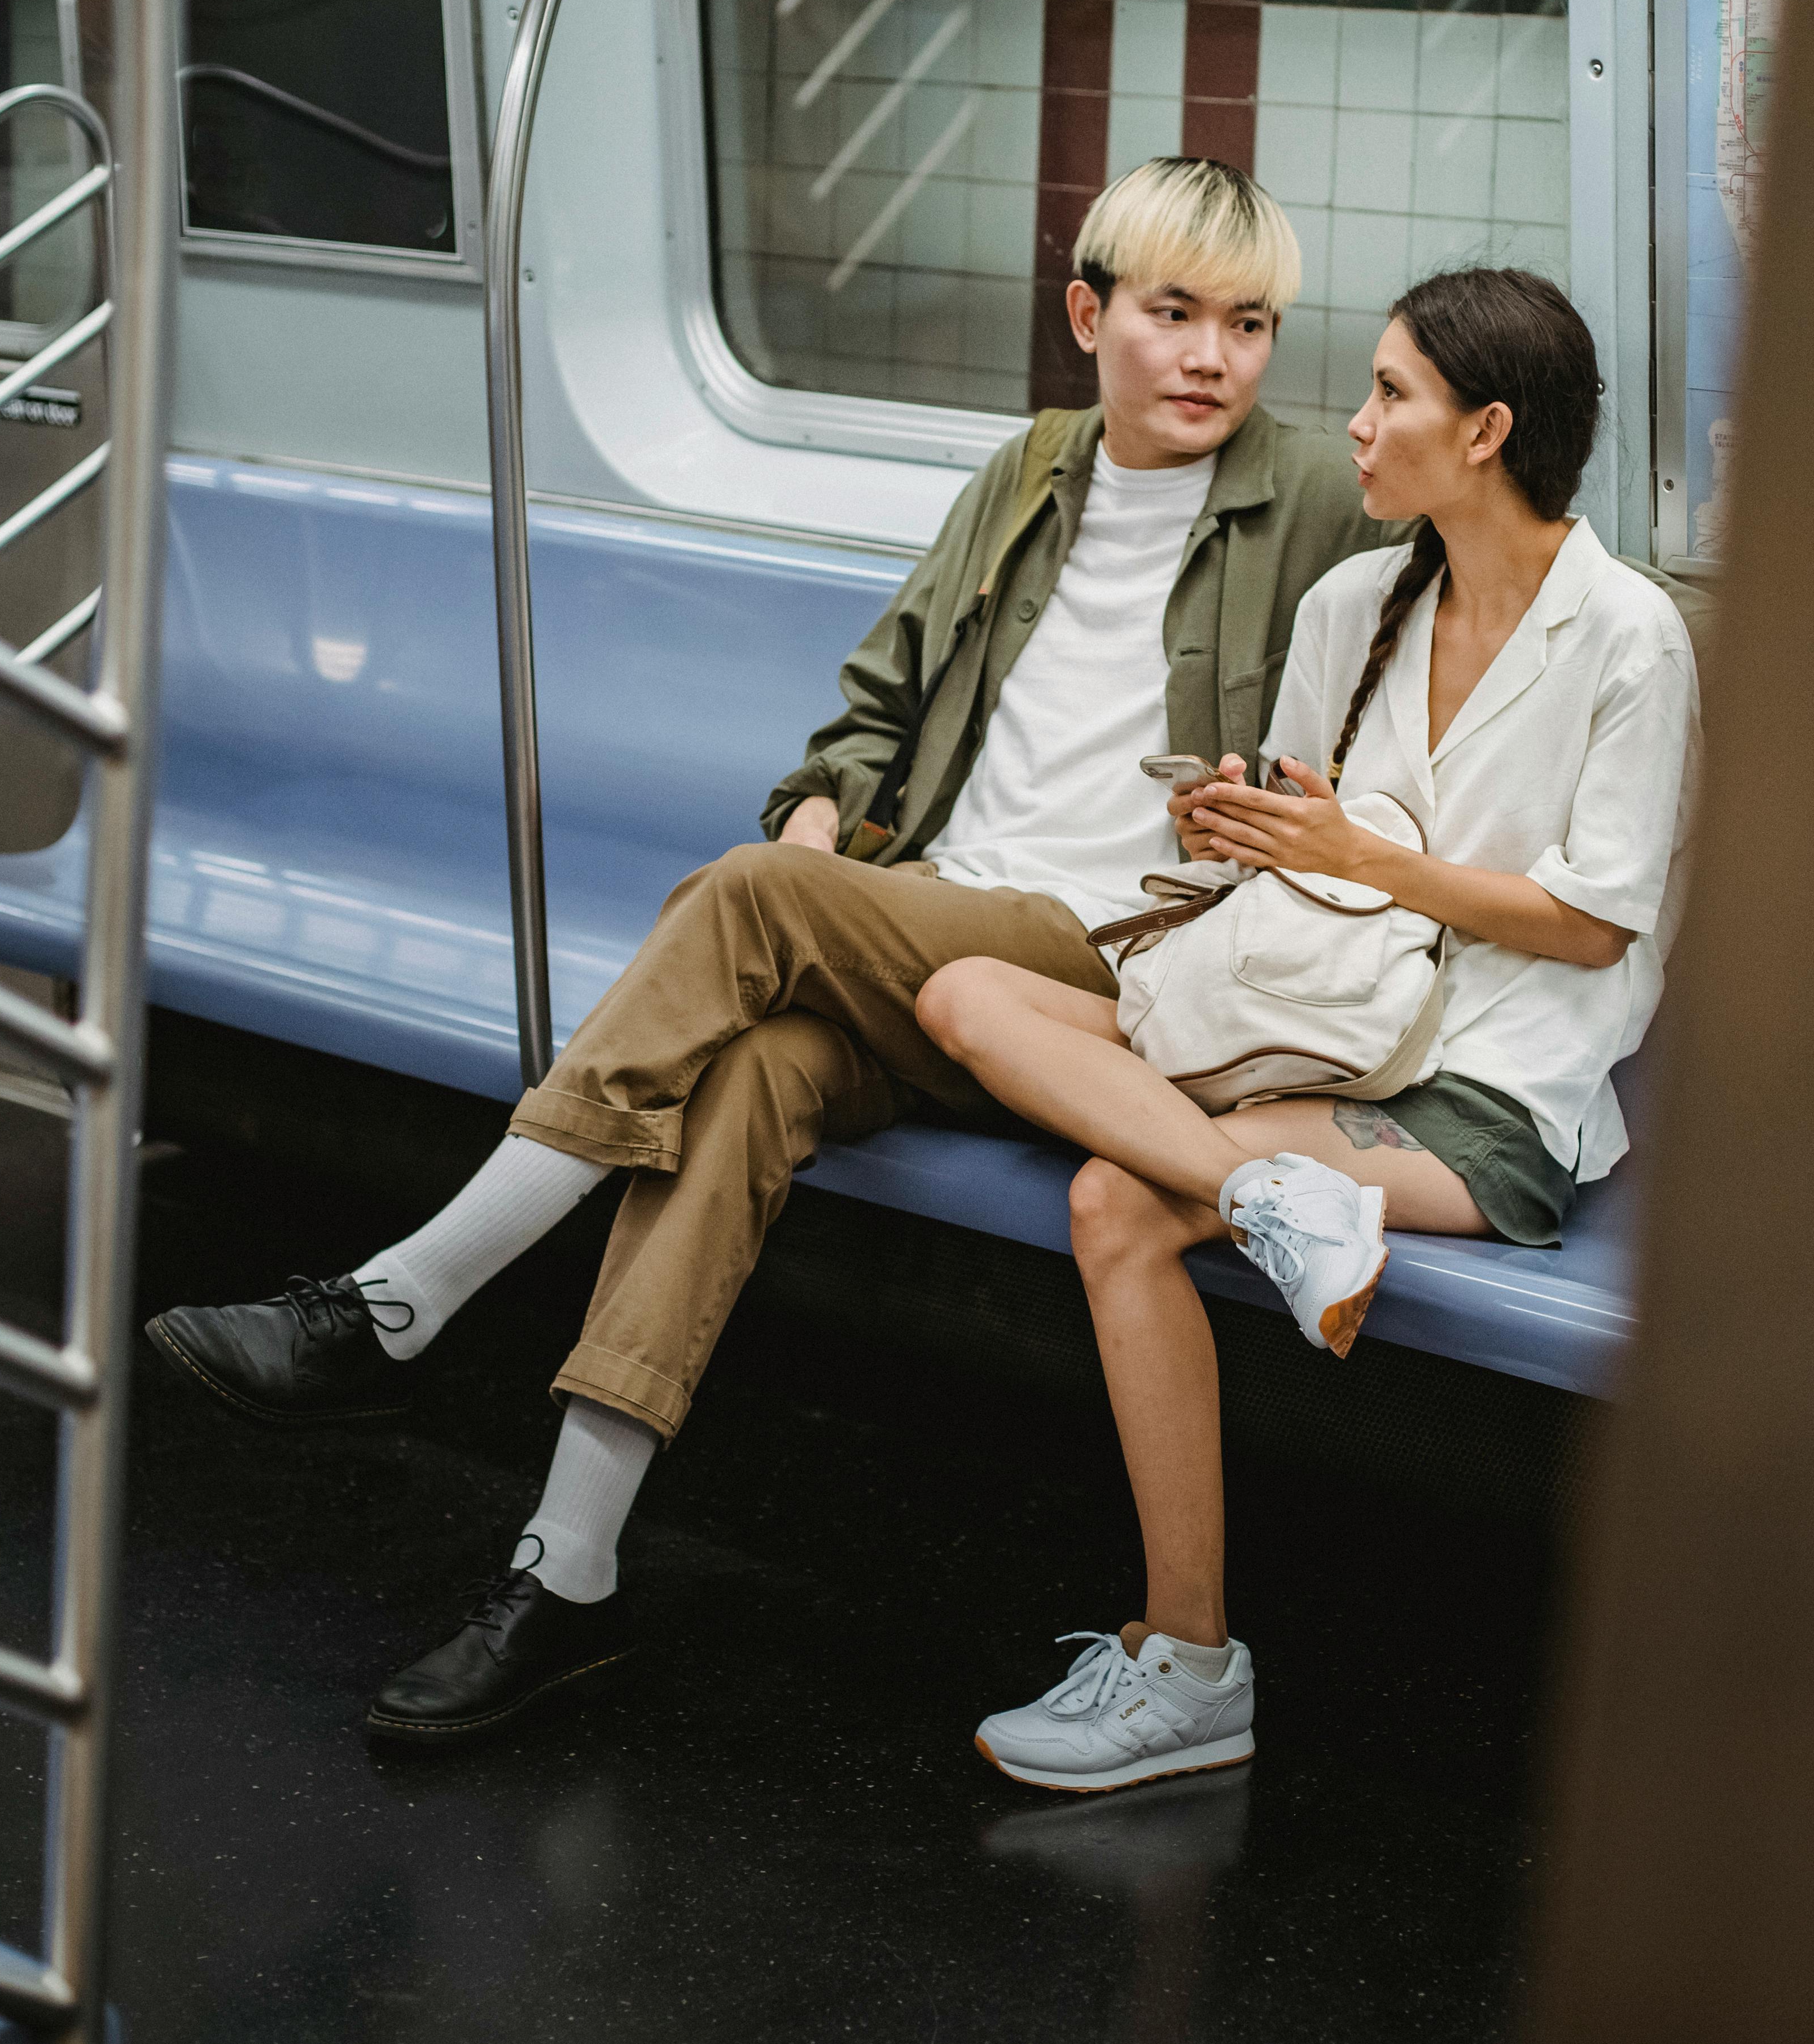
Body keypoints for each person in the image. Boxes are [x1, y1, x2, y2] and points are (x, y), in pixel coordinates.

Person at [142, 159, 1397, 1742]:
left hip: (1107, 982)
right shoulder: (1024, 475)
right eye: (1173, 314)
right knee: (740, 1073)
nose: (1214, 356)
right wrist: (820, 821)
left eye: (1252, 322)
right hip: (935, 934)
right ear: (1088, 317)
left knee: (741, 898)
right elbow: (871, 713)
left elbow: (1444, 660)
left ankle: (401, 1300)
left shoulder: (1318, 505)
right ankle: (564, 1568)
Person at [915, 269, 1700, 1793]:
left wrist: (1367, 861)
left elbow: (1597, 924)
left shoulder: (1630, 638)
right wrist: (1235, 828)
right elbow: (1295, 871)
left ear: (1485, 431)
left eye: (1392, 394)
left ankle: (1193, 1665)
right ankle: (1273, 1192)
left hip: (1485, 1087)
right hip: (1312, 1031)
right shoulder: (1359, 603)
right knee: (964, 995)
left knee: (1118, 1202)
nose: (1355, 421)